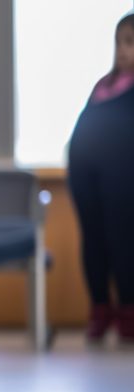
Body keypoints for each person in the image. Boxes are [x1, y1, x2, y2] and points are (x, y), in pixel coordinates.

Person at [69, 13, 134, 343]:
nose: (123, 50)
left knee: (123, 242)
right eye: (120, 42)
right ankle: (100, 308)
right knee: (93, 242)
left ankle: (127, 311)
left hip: (122, 179)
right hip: (86, 177)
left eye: (131, 42)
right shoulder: (103, 86)